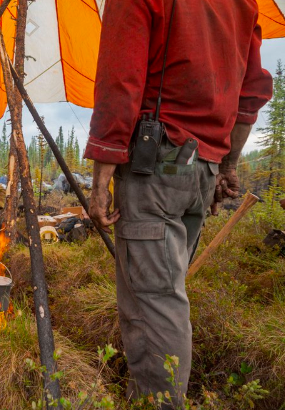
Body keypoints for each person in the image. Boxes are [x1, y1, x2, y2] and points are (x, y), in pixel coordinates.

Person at [83, 0, 273, 407]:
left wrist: (100, 182)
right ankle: (149, 396)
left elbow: (120, 83)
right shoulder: (241, 4)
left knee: (155, 302)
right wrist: (227, 163)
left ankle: (160, 403)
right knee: (159, 293)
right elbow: (251, 92)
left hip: (155, 167)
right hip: (201, 172)